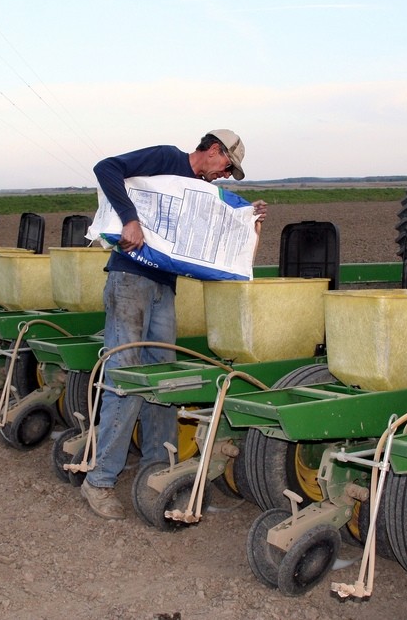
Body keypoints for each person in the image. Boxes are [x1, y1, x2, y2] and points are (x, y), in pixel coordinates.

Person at [81, 129, 268, 520]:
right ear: (214, 150)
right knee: (124, 377)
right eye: (226, 167)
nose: (223, 175)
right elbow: (106, 168)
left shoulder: (201, 193)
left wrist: (246, 220)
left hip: (164, 289)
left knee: (163, 379)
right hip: (129, 280)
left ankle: (157, 470)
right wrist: (130, 221)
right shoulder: (166, 158)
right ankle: (99, 481)